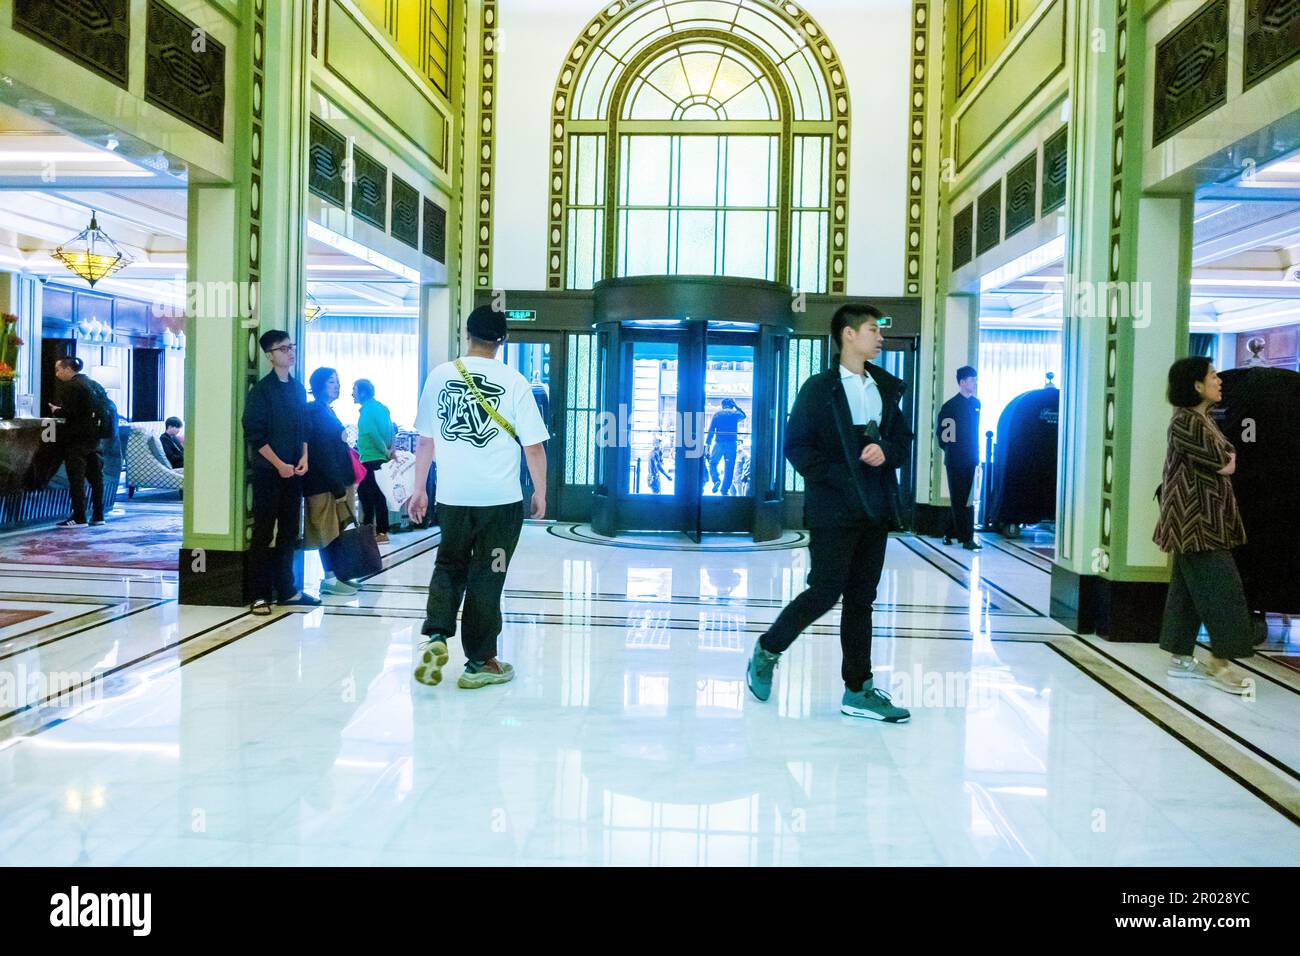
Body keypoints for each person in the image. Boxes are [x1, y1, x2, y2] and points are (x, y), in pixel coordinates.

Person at [745, 304, 913, 723]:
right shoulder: (819, 389)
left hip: (874, 511)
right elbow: (797, 448)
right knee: (825, 591)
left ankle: (858, 689)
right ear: (848, 336)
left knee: (862, 600)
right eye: (873, 330)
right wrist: (843, 474)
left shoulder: (885, 389)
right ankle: (768, 649)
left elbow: (903, 443)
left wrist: (886, 451)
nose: (880, 337)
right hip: (833, 509)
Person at [407, 305, 549, 690]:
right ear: (502, 341)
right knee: (489, 575)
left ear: (466, 334)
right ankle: (480, 662)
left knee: (449, 565)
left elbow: (425, 440)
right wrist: (540, 491)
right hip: (500, 504)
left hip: (452, 499)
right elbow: (533, 447)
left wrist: (419, 489)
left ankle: (436, 635)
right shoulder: (514, 381)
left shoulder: (439, 376)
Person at [1153, 357, 1254, 695]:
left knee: (1187, 592)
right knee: (1222, 590)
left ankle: (1181, 658)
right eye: (1213, 376)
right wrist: (1229, 457)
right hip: (1196, 522)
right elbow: (1225, 463)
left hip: (1203, 520)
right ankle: (1221, 662)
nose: (1219, 380)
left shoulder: (1202, 419)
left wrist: (1228, 457)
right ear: (1196, 385)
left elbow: (1225, 459)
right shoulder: (1187, 421)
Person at [241, 330, 318, 615]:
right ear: (270, 355)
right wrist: (279, 465)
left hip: (295, 471)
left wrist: (304, 458)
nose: (290, 352)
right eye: (283, 348)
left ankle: (287, 589)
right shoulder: (261, 391)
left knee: (288, 531)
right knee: (263, 532)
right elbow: (255, 434)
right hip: (269, 473)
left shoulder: (297, 389)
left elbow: (304, 428)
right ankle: (259, 595)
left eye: (291, 347)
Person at [304, 367, 359, 596]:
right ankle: (330, 577)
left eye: (337, 381)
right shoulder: (315, 412)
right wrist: (337, 486)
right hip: (323, 483)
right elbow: (322, 452)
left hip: (336, 480)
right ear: (318, 385)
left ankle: (339, 575)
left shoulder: (328, 411)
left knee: (337, 530)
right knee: (326, 531)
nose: (336, 386)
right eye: (330, 382)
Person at [51, 356, 107, 528]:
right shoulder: (94, 384)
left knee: (76, 479)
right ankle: (98, 515)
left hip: (76, 439)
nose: (57, 374)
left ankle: (79, 517)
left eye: (58, 370)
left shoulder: (71, 386)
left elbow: (70, 413)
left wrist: (56, 411)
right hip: (94, 439)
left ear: (68, 369)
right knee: (96, 479)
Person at [936, 365, 981, 550]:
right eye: (971, 380)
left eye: (975, 379)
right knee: (958, 498)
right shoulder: (950, 406)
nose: (974, 383)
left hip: (971, 458)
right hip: (955, 460)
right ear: (962, 382)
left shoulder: (976, 404)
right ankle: (966, 538)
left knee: (965, 499)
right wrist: (954, 453)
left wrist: (975, 454)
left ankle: (948, 532)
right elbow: (944, 436)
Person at [353, 378, 395, 544]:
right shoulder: (382, 408)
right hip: (382, 460)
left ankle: (372, 530)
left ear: (362, 392)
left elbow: (371, 433)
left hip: (370, 459)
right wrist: (390, 450)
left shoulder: (367, 411)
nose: (352, 394)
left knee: (367, 496)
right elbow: (391, 430)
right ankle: (379, 530)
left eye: (354, 390)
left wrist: (384, 449)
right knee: (379, 496)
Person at [706, 397, 747, 495]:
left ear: (722, 405)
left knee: (713, 463)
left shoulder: (717, 414)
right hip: (731, 444)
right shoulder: (735, 414)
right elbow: (744, 416)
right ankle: (724, 489)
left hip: (719, 443)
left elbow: (711, 430)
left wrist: (707, 444)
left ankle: (716, 479)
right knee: (729, 467)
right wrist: (736, 406)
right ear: (732, 405)